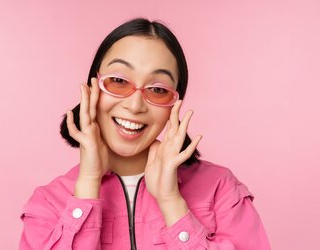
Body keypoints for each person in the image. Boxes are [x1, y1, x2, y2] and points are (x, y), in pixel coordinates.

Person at [19, 18, 270, 250]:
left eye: (158, 89)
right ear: (93, 88)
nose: (136, 105)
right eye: (118, 81)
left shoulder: (221, 190)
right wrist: (88, 184)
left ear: (174, 104)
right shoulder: (48, 204)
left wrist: (172, 203)